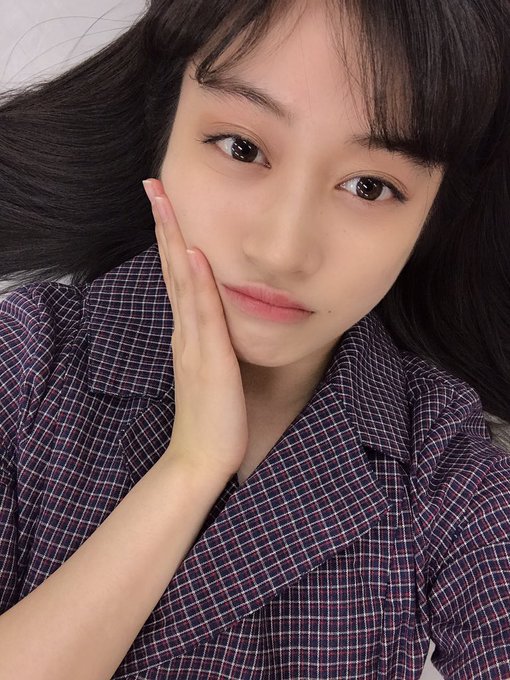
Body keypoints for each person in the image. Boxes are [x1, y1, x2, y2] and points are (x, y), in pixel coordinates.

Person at [0, 0, 509, 677]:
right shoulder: (27, 359)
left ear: (432, 218)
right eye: (242, 148)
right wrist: (190, 469)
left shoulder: (438, 452)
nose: (281, 249)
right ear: (164, 127)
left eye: (369, 186)